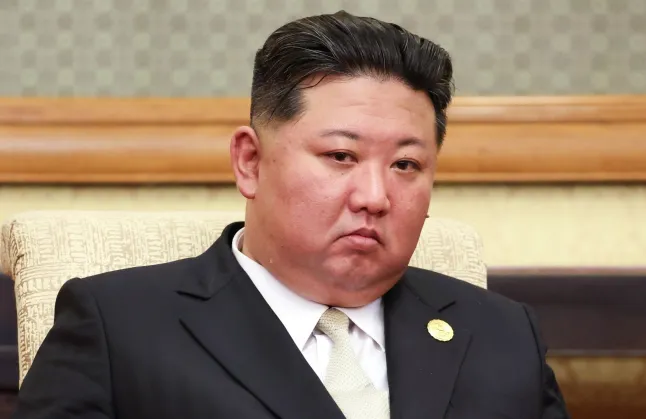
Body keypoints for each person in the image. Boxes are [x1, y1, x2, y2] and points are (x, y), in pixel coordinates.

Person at [13, 11, 569, 419]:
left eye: (406, 164)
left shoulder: (500, 334)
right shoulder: (120, 327)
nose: (375, 196)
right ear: (250, 162)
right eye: (341, 156)